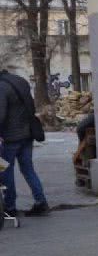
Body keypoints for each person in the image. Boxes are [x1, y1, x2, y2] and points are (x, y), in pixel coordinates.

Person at [0, 70, 49, 217]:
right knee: (28, 169)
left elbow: (0, 114)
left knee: (5, 171)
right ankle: (41, 202)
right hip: (27, 135)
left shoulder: (1, 87)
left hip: (10, 138)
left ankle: (10, 207)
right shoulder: (20, 81)